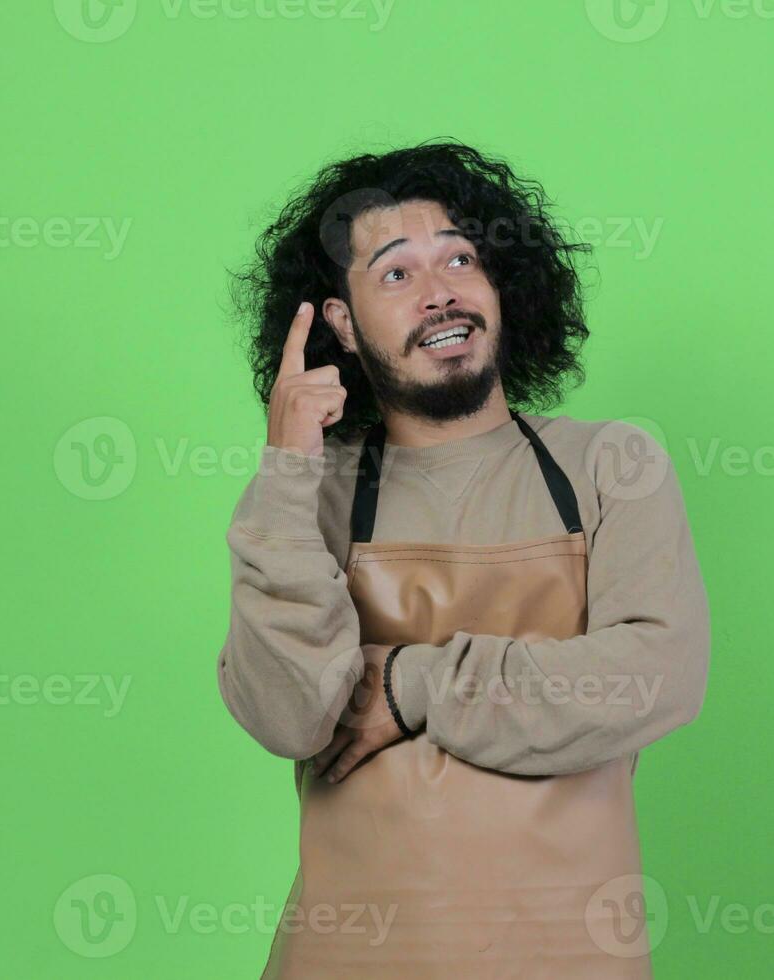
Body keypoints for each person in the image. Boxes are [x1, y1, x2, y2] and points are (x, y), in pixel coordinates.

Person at [216, 140, 711, 978]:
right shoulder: (316, 493)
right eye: (396, 274)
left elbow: (655, 676)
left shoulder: (610, 467)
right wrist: (286, 470)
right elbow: (287, 716)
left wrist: (407, 685)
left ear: (500, 282)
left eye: (460, 257)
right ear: (340, 320)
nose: (440, 290)